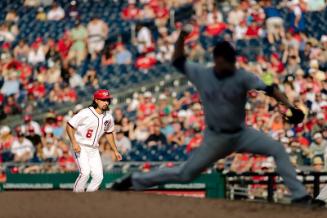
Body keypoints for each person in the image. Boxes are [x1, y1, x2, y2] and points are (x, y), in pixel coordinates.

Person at [111, 25, 313, 205]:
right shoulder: (202, 73)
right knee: (185, 174)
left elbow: (271, 89)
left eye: (233, 62)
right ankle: (133, 181)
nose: (231, 66)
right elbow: (178, 61)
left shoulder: (241, 75)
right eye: (228, 62)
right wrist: (181, 36)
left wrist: (291, 107)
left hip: (242, 134)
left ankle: (300, 196)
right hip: (216, 138)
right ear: (216, 60)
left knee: (277, 148)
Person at [66, 89, 122, 192]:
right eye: (103, 100)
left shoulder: (108, 117)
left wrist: (115, 150)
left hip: (94, 149)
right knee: (85, 173)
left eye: (107, 100)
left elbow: (109, 133)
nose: (106, 102)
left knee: (98, 176)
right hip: (81, 146)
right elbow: (69, 125)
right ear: (96, 100)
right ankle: (76, 196)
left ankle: (88, 197)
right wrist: (74, 142)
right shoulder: (86, 112)